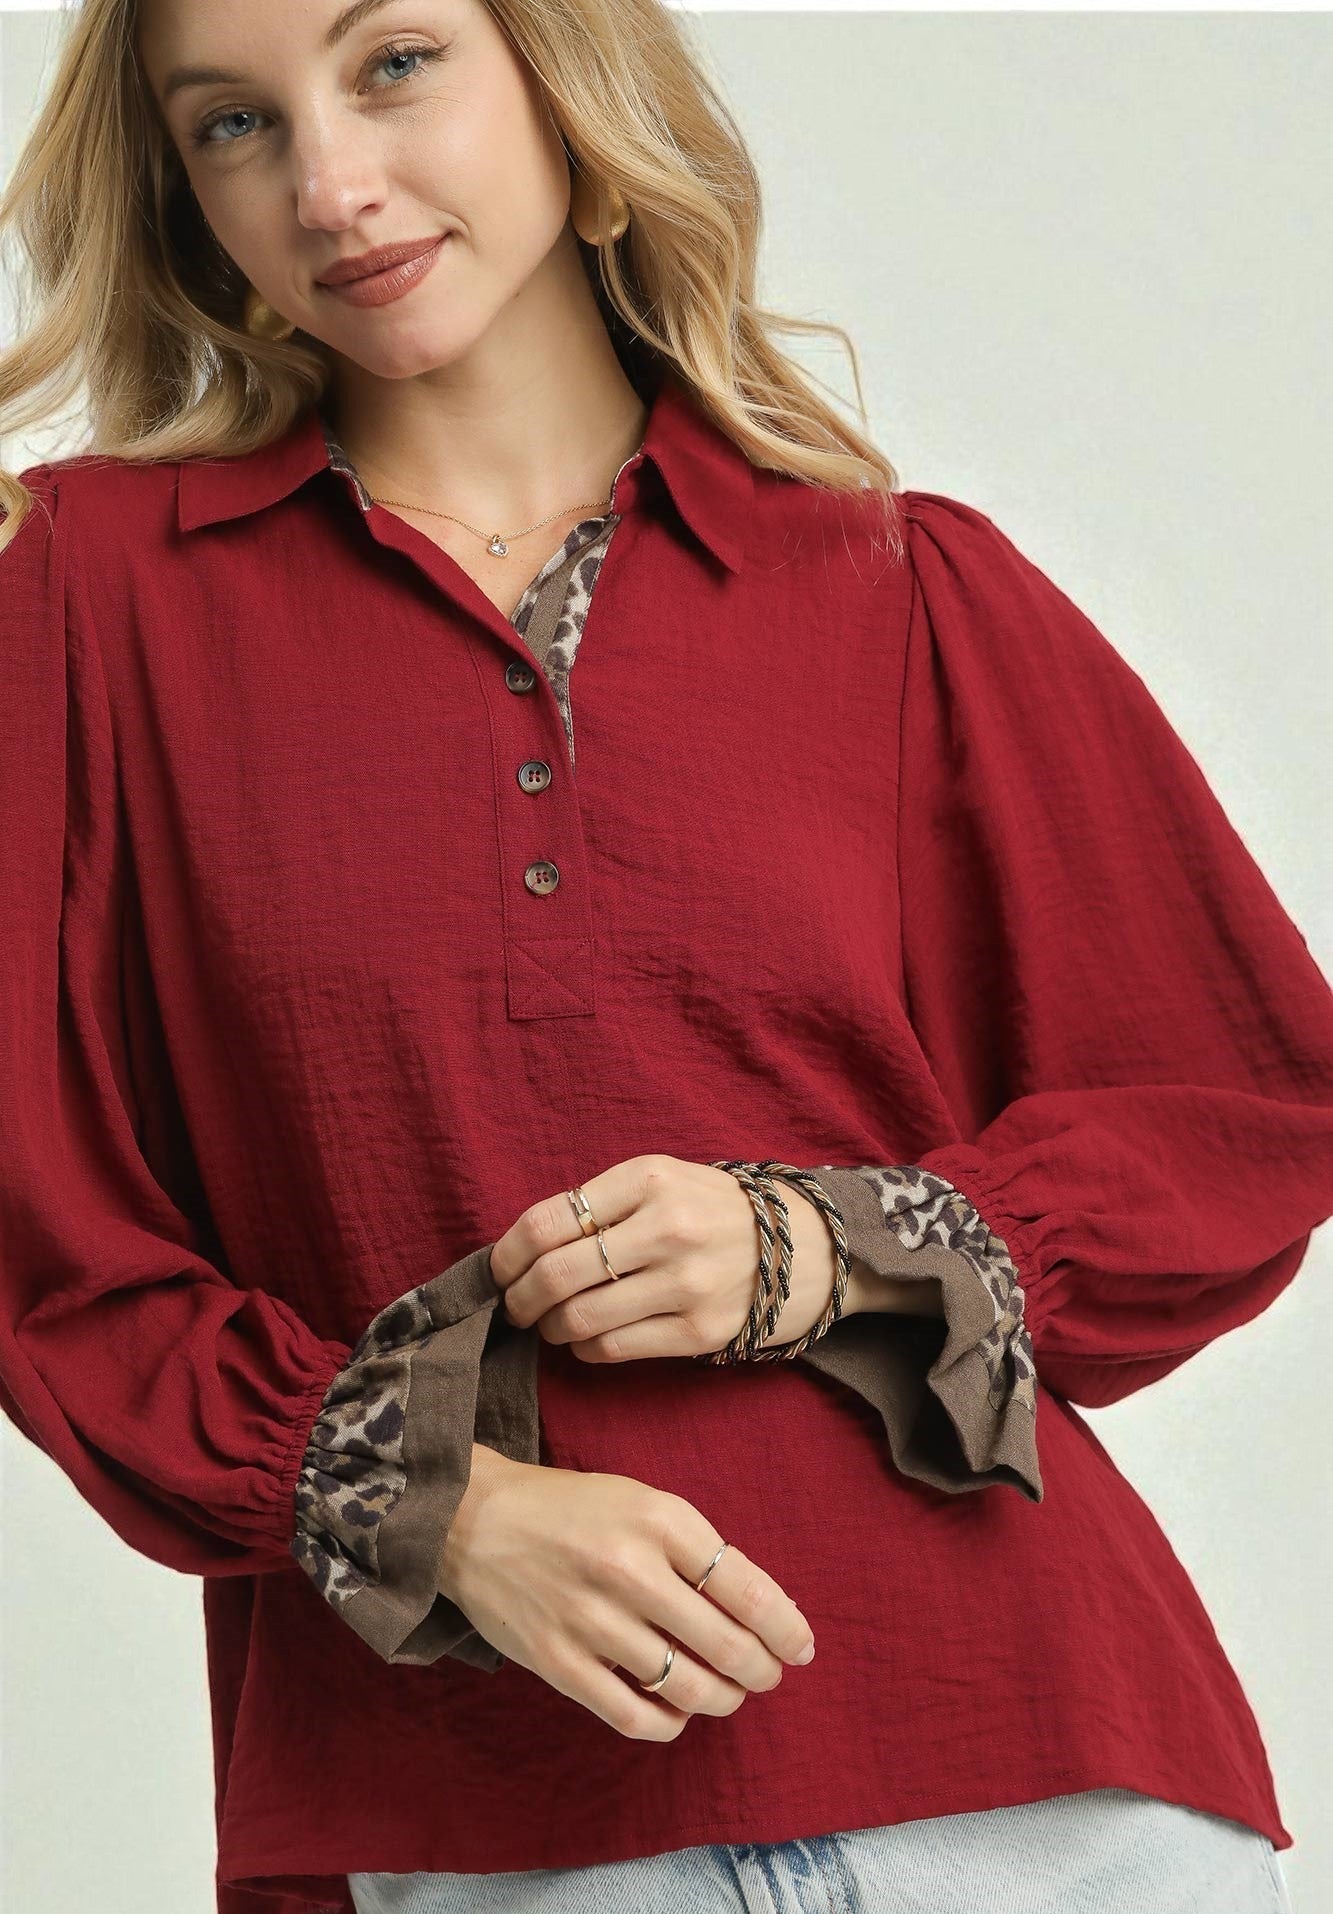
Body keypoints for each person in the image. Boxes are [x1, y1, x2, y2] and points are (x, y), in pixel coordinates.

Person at [0, 0, 1326, 1910]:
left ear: (558, 66)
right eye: (230, 124)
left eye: (392, 64)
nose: (328, 182)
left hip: (1040, 1779)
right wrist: (425, 1501)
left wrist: (809, 1244)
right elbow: (52, 1248)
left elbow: (1244, 1115)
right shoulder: (88, 604)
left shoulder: (898, 585)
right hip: (481, 1822)